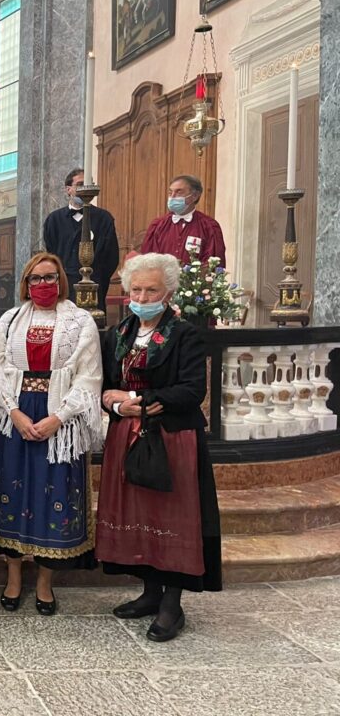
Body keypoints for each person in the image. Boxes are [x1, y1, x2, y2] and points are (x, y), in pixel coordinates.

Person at [96, 252, 222, 642]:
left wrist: (136, 396)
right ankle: (150, 592)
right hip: (127, 435)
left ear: (167, 293)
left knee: (171, 517)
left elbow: (191, 390)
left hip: (172, 437)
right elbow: (104, 387)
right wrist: (115, 402)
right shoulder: (120, 333)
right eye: (136, 288)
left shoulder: (184, 334)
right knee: (140, 514)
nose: (142, 295)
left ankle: (172, 604)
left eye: (151, 289)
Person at [0, 253, 104, 616]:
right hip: (16, 416)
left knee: (55, 494)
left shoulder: (81, 321)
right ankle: (14, 577)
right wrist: (15, 412)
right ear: (25, 283)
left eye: (50, 278)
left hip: (59, 417)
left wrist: (59, 417)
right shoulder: (10, 319)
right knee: (12, 493)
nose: (43, 285)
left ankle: (45, 583)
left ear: (61, 280)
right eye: (35, 279)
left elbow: (89, 375)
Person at [43, 168, 120, 308]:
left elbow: (111, 256)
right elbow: (51, 253)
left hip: (94, 284)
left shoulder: (104, 218)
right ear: (68, 189)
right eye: (80, 184)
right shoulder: (54, 220)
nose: (84, 189)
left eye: (88, 185)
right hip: (64, 284)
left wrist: (98, 278)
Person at [141, 175, 226, 267]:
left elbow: (213, 262)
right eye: (170, 192)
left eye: (179, 192)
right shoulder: (158, 225)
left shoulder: (209, 226)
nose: (172, 196)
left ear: (195, 196)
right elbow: (148, 259)